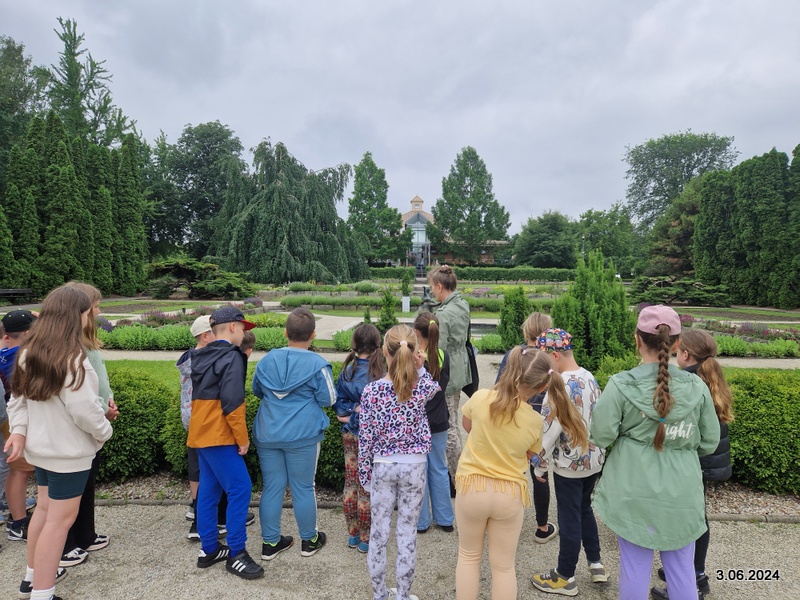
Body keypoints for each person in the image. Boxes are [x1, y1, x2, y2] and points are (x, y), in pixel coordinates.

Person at [589, 305, 720, 600]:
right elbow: (709, 442)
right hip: (682, 493)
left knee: (634, 570)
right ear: (677, 344)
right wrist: (679, 441)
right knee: (682, 571)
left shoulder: (621, 384)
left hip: (633, 489)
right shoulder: (697, 387)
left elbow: (601, 435)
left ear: (637, 339)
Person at [4, 285, 113, 600]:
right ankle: (43, 593)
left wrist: (19, 431)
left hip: (42, 451)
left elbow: (17, 400)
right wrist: (104, 431)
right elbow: (84, 411)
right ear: (75, 316)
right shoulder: (73, 359)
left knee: (44, 511)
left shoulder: (30, 352)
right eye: (87, 312)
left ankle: (31, 579)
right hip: (68, 454)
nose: (89, 318)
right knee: (59, 522)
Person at [455, 346, 548, 600]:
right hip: (509, 493)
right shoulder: (535, 421)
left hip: (472, 486)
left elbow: (467, 425)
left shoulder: (481, 398)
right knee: (504, 567)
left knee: (468, 556)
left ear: (509, 369)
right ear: (541, 387)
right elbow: (529, 453)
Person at [651, 328, 734, 600]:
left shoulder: (688, 382)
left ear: (685, 354)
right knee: (697, 516)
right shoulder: (711, 376)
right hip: (708, 459)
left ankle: (692, 579)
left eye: (677, 351)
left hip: (694, 459)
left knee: (689, 520)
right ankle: (691, 572)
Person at [358, 324, 439, 600]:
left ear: (384, 351)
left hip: (383, 465)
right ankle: (403, 595)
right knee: (406, 535)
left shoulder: (372, 391)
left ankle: (380, 595)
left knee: (378, 535)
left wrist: (365, 476)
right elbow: (433, 387)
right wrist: (421, 367)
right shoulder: (420, 386)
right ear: (415, 352)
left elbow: (365, 438)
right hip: (414, 465)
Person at [529, 328, 607, 596]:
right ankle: (596, 564)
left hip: (569, 465)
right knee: (585, 509)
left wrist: (539, 466)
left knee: (568, 517)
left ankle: (565, 576)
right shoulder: (589, 377)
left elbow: (548, 432)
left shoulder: (558, 385)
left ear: (554, 355)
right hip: (592, 461)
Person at [187, 306, 263, 580]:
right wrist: (242, 439)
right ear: (232, 326)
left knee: (209, 490)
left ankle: (209, 549)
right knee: (240, 488)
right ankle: (236, 553)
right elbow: (233, 403)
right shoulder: (232, 356)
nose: (243, 333)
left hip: (200, 432)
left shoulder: (200, 353)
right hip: (220, 434)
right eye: (242, 328)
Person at [252, 307, 334, 560]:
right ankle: (309, 540)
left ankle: (270, 543)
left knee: (272, 487)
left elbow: (257, 390)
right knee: (303, 487)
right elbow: (329, 399)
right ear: (313, 335)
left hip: (268, 432)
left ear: (285, 332)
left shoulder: (266, 360)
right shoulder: (318, 364)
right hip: (303, 434)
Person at [59, 281, 119, 569]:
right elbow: (79, 394)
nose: (98, 311)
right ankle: (66, 545)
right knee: (70, 491)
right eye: (94, 307)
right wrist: (103, 414)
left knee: (87, 481)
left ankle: (85, 534)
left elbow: (98, 378)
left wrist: (108, 399)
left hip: (97, 415)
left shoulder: (86, 338)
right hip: (83, 425)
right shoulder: (70, 347)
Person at [495, 312, 556, 544]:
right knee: (539, 473)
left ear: (526, 330)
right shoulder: (549, 358)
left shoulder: (515, 354)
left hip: (514, 417)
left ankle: (502, 520)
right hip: (540, 421)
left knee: (511, 470)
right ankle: (542, 526)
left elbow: (499, 385)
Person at [333, 323, 383, 553]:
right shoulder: (380, 373)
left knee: (351, 482)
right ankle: (366, 537)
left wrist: (352, 414)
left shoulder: (347, 371)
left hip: (350, 435)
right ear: (377, 345)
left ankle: (353, 534)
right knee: (367, 486)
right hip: (372, 437)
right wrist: (361, 413)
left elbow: (339, 407)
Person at [428, 265, 471, 482]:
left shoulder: (443, 314)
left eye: (432, 287)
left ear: (439, 286)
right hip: (461, 367)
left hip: (449, 372)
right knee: (453, 418)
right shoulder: (462, 304)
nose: (431, 291)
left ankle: (458, 477)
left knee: (449, 426)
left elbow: (439, 349)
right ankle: (459, 472)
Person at [412, 312, 455, 534]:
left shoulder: (415, 359)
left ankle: (422, 522)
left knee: (420, 470)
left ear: (416, 332)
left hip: (417, 423)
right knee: (439, 468)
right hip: (439, 420)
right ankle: (445, 518)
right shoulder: (443, 356)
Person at [2, 310, 39, 542]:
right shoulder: (24, 356)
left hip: (10, 417)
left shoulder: (5, 352)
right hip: (19, 420)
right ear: (27, 333)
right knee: (20, 471)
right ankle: (18, 522)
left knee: (17, 470)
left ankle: (16, 516)